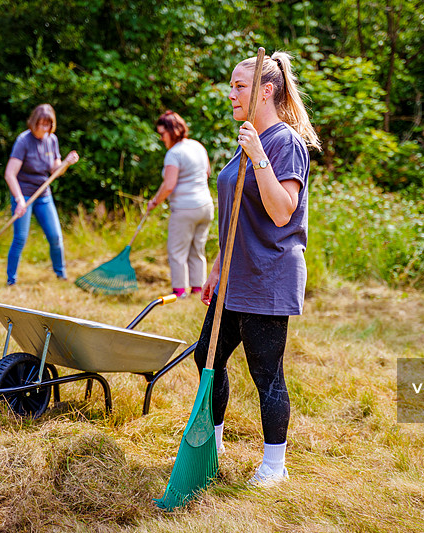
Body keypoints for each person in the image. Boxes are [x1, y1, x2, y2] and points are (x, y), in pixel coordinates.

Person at [193, 51, 321, 487]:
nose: (231, 94)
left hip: (269, 276)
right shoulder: (249, 138)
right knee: (207, 357)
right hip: (235, 276)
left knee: (266, 374)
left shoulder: (284, 143)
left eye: (239, 86)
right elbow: (237, 215)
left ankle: (273, 465)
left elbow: (283, 211)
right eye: (231, 86)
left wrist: (259, 155)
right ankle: (211, 446)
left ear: (265, 91)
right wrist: (216, 268)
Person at [3, 104, 79, 286]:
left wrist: (66, 163)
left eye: (48, 125)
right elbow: (9, 174)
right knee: (20, 238)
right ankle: (11, 280)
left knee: (55, 237)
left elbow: (55, 170)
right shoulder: (23, 141)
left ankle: (61, 275)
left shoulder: (52, 140)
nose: (45, 128)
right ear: (34, 122)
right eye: (42, 124)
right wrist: (19, 200)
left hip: (43, 195)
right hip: (24, 195)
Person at [147, 110, 214, 298]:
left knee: (177, 251)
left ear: (172, 131)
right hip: (205, 206)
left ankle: (179, 291)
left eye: (162, 134)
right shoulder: (197, 146)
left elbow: (169, 185)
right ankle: (198, 289)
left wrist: (155, 201)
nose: (161, 138)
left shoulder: (174, 153)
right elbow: (207, 172)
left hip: (185, 209)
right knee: (197, 249)